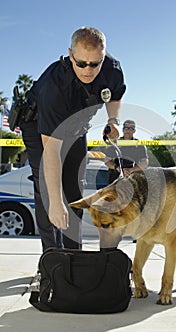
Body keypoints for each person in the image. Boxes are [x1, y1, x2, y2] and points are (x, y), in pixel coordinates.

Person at [20, 27, 126, 252]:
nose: (88, 70)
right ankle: (52, 261)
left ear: (103, 56)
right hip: (41, 125)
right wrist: (56, 203)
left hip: (76, 125)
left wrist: (113, 120)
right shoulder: (55, 86)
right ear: (70, 55)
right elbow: (51, 150)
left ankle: (74, 255)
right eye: (81, 63)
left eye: (95, 64)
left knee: (75, 189)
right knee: (49, 193)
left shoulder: (112, 69)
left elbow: (115, 95)